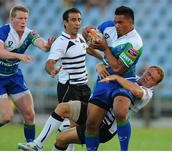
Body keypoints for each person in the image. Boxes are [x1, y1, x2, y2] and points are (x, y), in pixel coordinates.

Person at [17, 65, 164, 151]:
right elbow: (105, 67)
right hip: (94, 109)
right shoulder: (131, 76)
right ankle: (38, 144)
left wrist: (117, 78)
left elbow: (136, 91)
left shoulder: (147, 93)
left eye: (152, 78)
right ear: (145, 71)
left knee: (61, 139)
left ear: (155, 84)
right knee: (62, 108)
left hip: (104, 127)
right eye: (148, 73)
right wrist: (100, 67)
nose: (147, 77)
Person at [0, 5, 54, 150]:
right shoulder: (3, 31)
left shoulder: (29, 34)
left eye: (25, 18)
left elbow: (43, 46)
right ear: (12, 18)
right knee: (7, 116)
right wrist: (18, 55)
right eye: (20, 18)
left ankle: (31, 144)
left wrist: (48, 45)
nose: (23, 21)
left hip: (14, 77)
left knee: (29, 114)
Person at [82, 6, 144, 151]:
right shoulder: (106, 26)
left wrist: (104, 49)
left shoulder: (135, 43)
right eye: (115, 21)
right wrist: (86, 32)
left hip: (124, 81)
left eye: (121, 22)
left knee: (120, 112)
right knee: (91, 123)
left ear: (130, 22)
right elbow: (88, 45)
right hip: (104, 79)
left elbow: (118, 69)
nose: (116, 25)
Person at [45, 7, 103, 151]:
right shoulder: (61, 42)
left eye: (79, 20)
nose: (77, 23)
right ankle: (38, 143)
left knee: (76, 125)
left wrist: (103, 58)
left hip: (83, 86)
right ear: (65, 23)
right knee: (72, 124)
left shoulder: (80, 37)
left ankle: (55, 143)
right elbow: (49, 62)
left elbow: (86, 48)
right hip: (69, 87)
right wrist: (51, 70)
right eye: (73, 20)